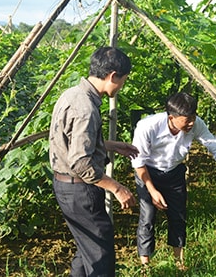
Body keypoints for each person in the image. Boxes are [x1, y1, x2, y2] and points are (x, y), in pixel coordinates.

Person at [131, 92, 216, 269]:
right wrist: (152, 191)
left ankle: (179, 261)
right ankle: (145, 266)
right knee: (147, 217)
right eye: (187, 120)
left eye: (193, 117)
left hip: (174, 173)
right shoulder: (147, 126)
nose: (191, 123)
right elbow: (139, 163)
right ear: (171, 117)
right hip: (147, 173)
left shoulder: (195, 124)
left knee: (178, 216)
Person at [49, 46, 139, 277]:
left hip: (65, 185)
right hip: (79, 190)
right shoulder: (86, 108)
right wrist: (117, 188)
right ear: (112, 76)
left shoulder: (71, 95)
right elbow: (80, 162)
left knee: (88, 246)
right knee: (100, 254)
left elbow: (70, 143)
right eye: (123, 82)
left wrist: (112, 145)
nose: (121, 87)